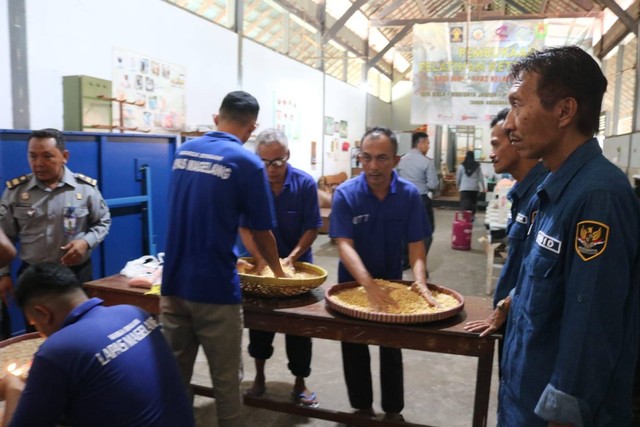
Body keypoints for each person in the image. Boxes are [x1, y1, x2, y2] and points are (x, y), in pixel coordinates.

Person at [496, 46, 640, 426]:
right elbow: (554, 282)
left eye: (517, 105)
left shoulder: (598, 198)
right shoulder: (554, 188)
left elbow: (592, 325)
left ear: (564, 111)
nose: (509, 124)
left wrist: (564, 414)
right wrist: (515, 299)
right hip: (524, 395)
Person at [161, 91, 287, 427]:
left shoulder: (182, 152)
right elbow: (262, 232)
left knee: (174, 381)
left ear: (218, 118)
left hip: (172, 285)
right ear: (252, 127)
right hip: (215, 291)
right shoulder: (246, 163)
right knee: (227, 382)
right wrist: (279, 272)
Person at [0, 262, 194, 427]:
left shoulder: (57, 349)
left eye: (35, 323)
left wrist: (12, 386)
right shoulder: (133, 312)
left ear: (43, 313)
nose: (41, 333)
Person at [329, 126, 435, 421]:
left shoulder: (409, 195)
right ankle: (362, 407)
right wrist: (367, 284)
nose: (373, 166)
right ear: (360, 158)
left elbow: (416, 245)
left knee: (391, 346)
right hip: (352, 284)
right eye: (367, 158)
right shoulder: (347, 194)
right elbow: (344, 244)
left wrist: (420, 281)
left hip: (393, 283)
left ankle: (392, 411)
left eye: (382, 158)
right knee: (354, 345)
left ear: (396, 160)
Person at [236, 128, 323, 407]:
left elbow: (312, 227)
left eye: (278, 162)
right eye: (265, 162)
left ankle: (299, 383)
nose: (271, 169)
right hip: (261, 267)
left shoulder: (305, 184)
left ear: (287, 156)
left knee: (299, 329)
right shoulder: (251, 184)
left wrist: (291, 259)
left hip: (297, 268)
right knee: (260, 325)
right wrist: (261, 261)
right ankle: (259, 378)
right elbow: (245, 226)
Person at [0, 128, 111, 332]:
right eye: (33, 156)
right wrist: (3, 274)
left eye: (47, 156)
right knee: (37, 334)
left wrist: (85, 242)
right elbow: (3, 235)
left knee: (79, 331)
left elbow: (102, 222)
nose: (38, 163)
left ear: (64, 156)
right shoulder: (16, 192)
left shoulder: (85, 188)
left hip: (75, 275)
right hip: (34, 277)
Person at [463, 108, 547, 370]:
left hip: (528, 325)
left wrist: (507, 304)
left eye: (496, 144)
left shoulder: (544, 194)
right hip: (510, 318)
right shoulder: (521, 192)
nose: (491, 153)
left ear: (516, 140)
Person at [397, 131, 438, 270]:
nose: (428, 146)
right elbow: (433, 185)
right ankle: (418, 261)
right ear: (420, 144)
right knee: (426, 231)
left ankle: (404, 261)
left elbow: (394, 180)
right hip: (421, 199)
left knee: (403, 229)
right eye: (427, 143)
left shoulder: (401, 160)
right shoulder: (427, 162)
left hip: (402, 199)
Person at [456, 150, 485, 216]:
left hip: (464, 188)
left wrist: (457, 186)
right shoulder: (477, 166)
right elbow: (481, 177)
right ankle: (472, 217)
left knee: (464, 203)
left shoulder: (461, 166)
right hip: (474, 188)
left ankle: (465, 217)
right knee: (473, 203)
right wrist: (483, 187)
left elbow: (458, 177)